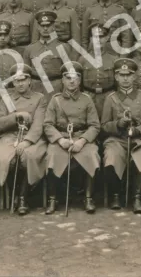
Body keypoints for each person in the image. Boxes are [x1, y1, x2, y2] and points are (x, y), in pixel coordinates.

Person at [43, 61, 101, 214]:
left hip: (81, 138)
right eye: (68, 77)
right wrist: (60, 140)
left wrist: (82, 141)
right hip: (61, 138)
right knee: (52, 155)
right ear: (62, 80)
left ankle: (88, 198)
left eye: (75, 78)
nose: (71, 81)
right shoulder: (55, 100)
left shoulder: (87, 99)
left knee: (92, 154)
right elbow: (48, 124)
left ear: (80, 80)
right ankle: (52, 199)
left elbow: (95, 125)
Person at [101, 58, 141, 213]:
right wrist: (118, 124)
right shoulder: (110, 98)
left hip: (140, 140)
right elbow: (104, 125)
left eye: (128, 75)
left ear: (134, 76)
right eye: (121, 75)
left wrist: (139, 131)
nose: (125, 78)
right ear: (116, 77)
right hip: (118, 139)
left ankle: (138, 197)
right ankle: (116, 195)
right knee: (111, 155)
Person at [0, 64, 48, 215]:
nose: (20, 83)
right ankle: (13, 195)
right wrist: (15, 116)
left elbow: (39, 124)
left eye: (24, 79)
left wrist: (27, 141)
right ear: (13, 82)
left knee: (28, 156)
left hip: (32, 138)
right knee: (4, 159)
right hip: (10, 136)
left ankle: (24, 197)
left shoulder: (39, 98)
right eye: (17, 81)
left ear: (30, 80)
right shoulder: (7, 99)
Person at [24, 10, 75, 97]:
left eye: (48, 25)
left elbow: (68, 73)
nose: (45, 28)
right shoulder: (30, 49)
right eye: (42, 25)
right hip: (35, 88)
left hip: (56, 88)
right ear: (38, 27)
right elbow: (25, 73)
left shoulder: (64, 47)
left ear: (53, 27)